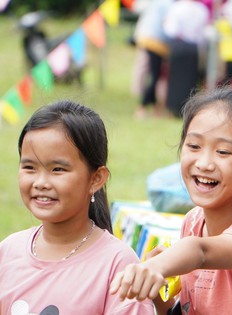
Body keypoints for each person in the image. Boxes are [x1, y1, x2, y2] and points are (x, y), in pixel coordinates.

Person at [109, 87, 232, 315]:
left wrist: (155, 266)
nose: (205, 163)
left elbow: (200, 252)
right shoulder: (193, 222)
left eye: (223, 152)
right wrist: (157, 294)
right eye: (194, 146)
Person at [0, 101, 155, 314]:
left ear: (96, 179)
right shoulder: (8, 251)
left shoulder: (117, 265)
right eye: (29, 167)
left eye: (57, 169)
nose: (41, 182)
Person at [163, 0, 210, 117]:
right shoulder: (201, 10)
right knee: (190, 80)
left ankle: (173, 108)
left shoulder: (178, 7)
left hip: (179, 45)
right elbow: (203, 33)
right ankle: (187, 108)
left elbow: (171, 29)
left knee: (175, 78)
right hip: (193, 48)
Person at [132, 0, 174, 119]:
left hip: (148, 38)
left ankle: (155, 108)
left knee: (156, 75)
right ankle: (143, 106)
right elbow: (168, 25)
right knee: (155, 76)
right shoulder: (168, 4)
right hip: (156, 42)